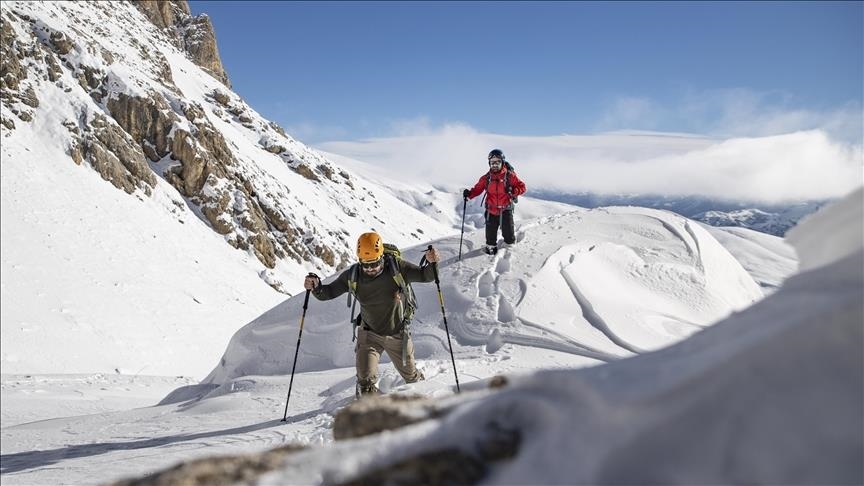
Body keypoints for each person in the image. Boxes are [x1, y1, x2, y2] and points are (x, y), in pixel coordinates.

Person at [303, 232, 441, 397]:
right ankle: (370, 409)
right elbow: (329, 292)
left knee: (412, 377)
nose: (370, 269)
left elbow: (425, 275)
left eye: (374, 263)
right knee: (365, 382)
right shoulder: (353, 275)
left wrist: (433, 262)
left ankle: (425, 397)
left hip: (398, 334)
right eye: (365, 264)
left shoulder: (397, 268)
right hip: (369, 335)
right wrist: (316, 287)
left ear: (381, 257)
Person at [463, 148, 527, 255]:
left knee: (509, 239)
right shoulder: (486, 178)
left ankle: (508, 258)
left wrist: (513, 191)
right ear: (489, 164)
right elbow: (478, 189)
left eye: (497, 162)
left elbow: (522, 187)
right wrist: (469, 194)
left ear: (502, 162)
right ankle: (489, 256)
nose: (495, 165)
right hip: (491, 211)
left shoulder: (510, 176)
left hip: (506, 210)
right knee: (490, 240)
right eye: (492, 163)